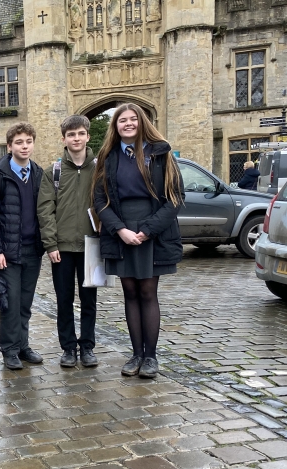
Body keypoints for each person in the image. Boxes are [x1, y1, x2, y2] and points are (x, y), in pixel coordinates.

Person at [92, 103, 184, 379]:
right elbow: (99, 200)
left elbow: (175, 198)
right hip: (121, 230)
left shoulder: (161, 153)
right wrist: (120, 230)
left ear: (142, 122)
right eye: (123, 120)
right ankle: (135, 355)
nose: (128, 124)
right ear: (115, 126)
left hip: (152, 230)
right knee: (129, 293)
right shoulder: (108, 156)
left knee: (147, 293)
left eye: (133, 119)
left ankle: (151, 357)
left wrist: (148, 230)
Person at [0, 123, 45, 371]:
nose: (24, 146)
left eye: (28, 141)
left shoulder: (39, 173)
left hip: (32, 248)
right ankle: (9, 349)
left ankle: (23, 345)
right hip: (7, 252)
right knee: (10, 302)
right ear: (9, 146)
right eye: (19, 142)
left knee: (26, 302)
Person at [37, 115, 99, 369]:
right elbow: (45, 210)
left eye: (80, 134)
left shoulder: (100, 168)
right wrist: (51, 244)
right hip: (62, 247)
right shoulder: (54, 171)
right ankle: (68, 348)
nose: (76, 138)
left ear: (88, 136)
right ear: (64, 139)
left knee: (90, 300)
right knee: (64, 299)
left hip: (92, 245)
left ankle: (87, 346)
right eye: (71, 135)